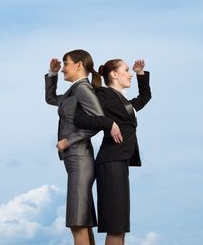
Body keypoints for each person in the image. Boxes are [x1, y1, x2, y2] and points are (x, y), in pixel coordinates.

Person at [70, 59, 151, 245]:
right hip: (111, 163)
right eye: (127, 70)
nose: (129, 73)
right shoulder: (103, 95)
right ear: (114, 74)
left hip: (120, 162)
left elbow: (144, 98)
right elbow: (80, 118)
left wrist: (140, 74)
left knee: (120, 227)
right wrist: (108, 124)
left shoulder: (123, 102)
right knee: (116, 226)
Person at [45, 49, 119, 245]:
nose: (63, 69)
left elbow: (98, 121)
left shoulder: (83, 89)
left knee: (77, 221)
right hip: (75, 160)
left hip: (80, 158)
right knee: (81, 221)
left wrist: (69, 140)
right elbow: (51, 99)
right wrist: (51, 74)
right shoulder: (74, 90)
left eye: (65, 64)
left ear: (78, 65)